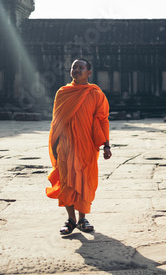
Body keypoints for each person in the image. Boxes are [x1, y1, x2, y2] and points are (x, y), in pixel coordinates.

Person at [45, 58, 112, 235]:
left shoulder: (96, 93)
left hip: (86, 145)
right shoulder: (63, 92)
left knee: (85, 181)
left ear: (89, 73)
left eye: (81, 67)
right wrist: (54, 144)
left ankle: (82, 218)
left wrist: (106, 144)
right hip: (65, 145)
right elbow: (56, 121)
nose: (77, 70)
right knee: (67, 181)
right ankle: (70, 219)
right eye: (74, 67)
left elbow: (103, 120)